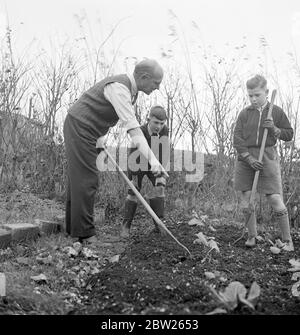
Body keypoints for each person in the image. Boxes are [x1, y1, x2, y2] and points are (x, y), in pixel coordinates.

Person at [63, 59, 166, 244]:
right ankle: (86, 235)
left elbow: (101, 114)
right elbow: (134, 129)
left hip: (88, 130)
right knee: (86, 179)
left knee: (78, 180)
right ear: (144, 77)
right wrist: (154, 161)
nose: (157, 87)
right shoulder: (120, 88)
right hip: (80, 127)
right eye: (156, 83)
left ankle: (74, 230)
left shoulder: (130, 91)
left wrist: (100, 138)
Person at [233, 74, 294, 251]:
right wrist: (249, 158)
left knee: (274, 197)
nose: (253, 99)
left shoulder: (276, 112)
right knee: (245, 196)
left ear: (266, 93)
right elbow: (237, 138)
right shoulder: (245, 113)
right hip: (245, 158)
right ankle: (252, 235)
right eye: (250, 95)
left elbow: (289, 134)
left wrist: (274, 129)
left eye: (257, 95)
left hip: (267, 156)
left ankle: (288, 240)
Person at [120, 105, 170, 238]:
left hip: (154, 162)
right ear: (149, 119)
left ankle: (159, 225)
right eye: (155, 122)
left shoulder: (165, 130)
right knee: (134, 192)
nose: (158, 126)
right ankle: (126, 227)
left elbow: (163, 149)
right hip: (136, 161)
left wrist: (161, 167)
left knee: (160, 187)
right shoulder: (139, 131)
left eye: (161, 123)